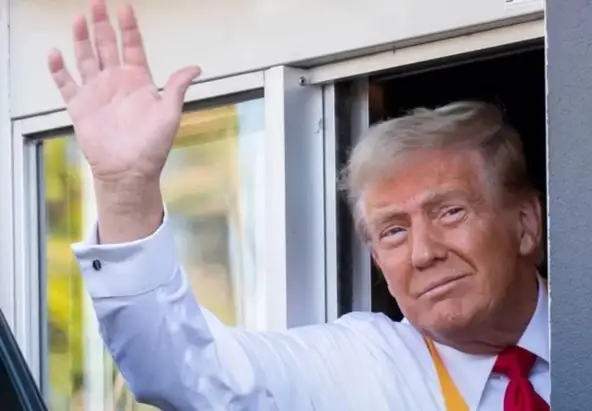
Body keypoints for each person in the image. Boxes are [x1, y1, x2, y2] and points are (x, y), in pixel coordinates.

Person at [47, 0, 550, 410]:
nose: (423, 253)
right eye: (393, 231)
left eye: (449, 212)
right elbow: (184, 368)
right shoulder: (359, 367)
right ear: (378, 261)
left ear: (526, 224)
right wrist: (127, 190)